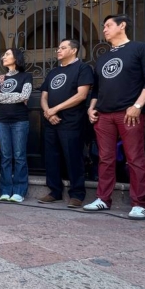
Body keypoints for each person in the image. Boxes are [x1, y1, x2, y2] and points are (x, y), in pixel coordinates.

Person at [85, 15, 145, 219]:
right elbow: (96, 89)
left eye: (108, 25)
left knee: (135, 158)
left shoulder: (140, 48)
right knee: (105, 158)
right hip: (104, 115)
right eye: (103, 26)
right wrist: (91, 109)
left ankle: (139, 203)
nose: (105, 29)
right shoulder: (102, 58)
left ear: (122, 25)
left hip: (130, 113)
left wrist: (138, 105)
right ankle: (103, 199)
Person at [39, 39, 94, 208]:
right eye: (58, 48)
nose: (58, 50)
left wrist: (55, 109)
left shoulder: (83, 68)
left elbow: (81, 95)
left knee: (73, 157)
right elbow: (43, 96)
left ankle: (77, 194)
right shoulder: (53, 72)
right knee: (51, 157)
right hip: (51, 121)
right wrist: (48, 112)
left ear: (74, 50)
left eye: (63, 48)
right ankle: (54, 191)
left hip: (71, 121)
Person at [0, 48, 33, 203]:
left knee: (20, 156)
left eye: (7, 54)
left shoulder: (26, 76)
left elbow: (25, 95)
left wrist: (5, 97)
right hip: (2, 120)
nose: (4, 56)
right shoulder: (1, 78)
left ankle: (19, 191)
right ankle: (5, 190)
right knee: (6, 157)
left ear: (16, 58)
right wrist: (15, 97)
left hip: (19, 121)